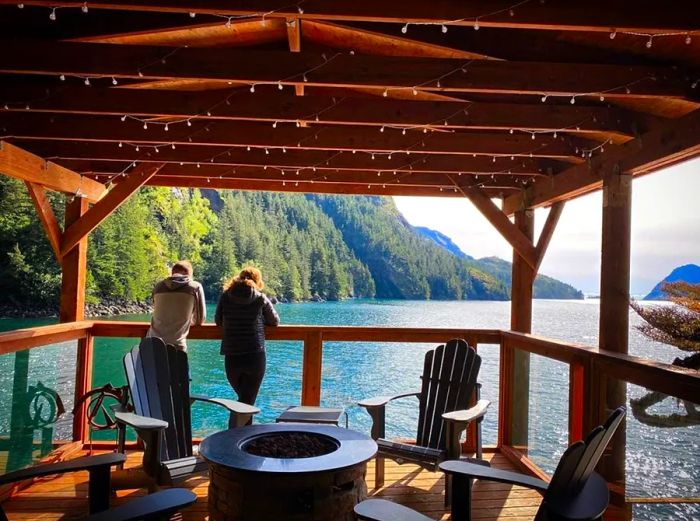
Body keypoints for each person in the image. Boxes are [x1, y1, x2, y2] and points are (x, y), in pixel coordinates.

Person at [215, 267, 279, 409]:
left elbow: (218, 320)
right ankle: (237, 430)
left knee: (244, 402)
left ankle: (237, 430)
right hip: (254, 354)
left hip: (232, 355)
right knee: (247, 403)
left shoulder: (226, 296)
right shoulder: (260, 298)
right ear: (257, 280)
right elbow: (274, 321)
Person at [147, 260, 206, 352]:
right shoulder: (195, 288)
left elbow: (156, 309)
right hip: (177, 345)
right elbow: (199, 319)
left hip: (152, 343)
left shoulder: (158, 287)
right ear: (188, 274)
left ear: (173, 272)